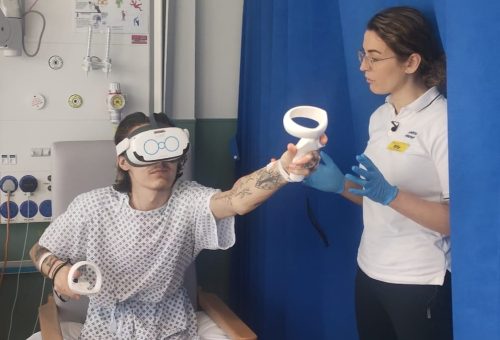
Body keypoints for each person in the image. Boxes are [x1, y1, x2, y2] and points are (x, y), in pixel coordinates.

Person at [29, 111, 325, 339]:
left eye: (168, 147)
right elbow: (40, 249)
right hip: (107, 328)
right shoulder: (92, 207)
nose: (161, 160)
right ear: (124, 161)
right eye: (148, 149)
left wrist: (284, 170)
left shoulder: (188, 201)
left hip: (172, 327)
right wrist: (58, 270)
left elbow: (236, 200)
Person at [302, 6, 452, 340]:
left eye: (374, 57)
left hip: (418, 281)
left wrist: (393, 195)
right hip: (369, 271)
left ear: (410, 62)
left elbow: (454, 221)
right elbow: (374, 195)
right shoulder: (381, 117)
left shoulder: (442, 122)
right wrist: (340, 184)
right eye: (362, 54)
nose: (362, 67)